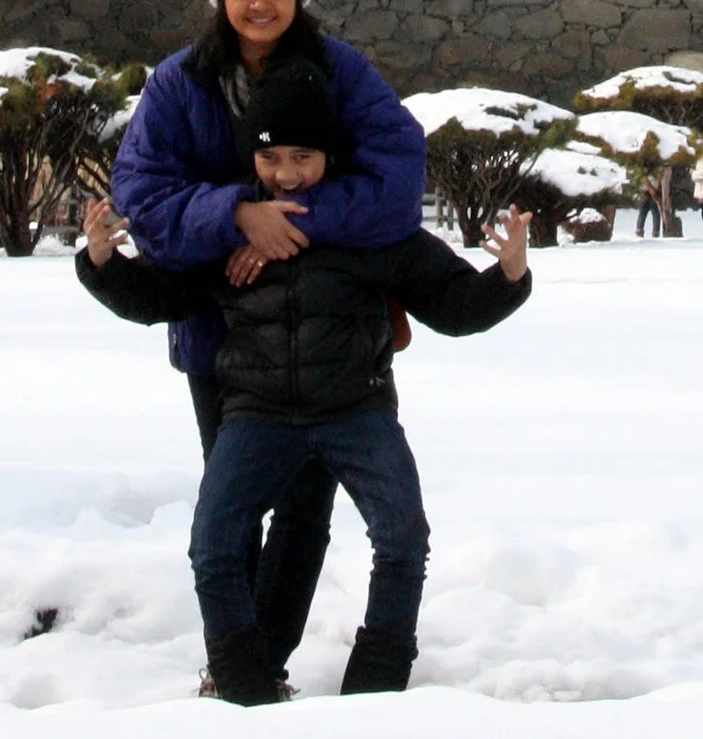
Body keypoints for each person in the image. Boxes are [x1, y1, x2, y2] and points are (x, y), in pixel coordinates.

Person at [82, 63, 530, 701]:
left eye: (303, 156)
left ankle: (378, 682)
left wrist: (507, 276)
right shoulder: (235, 227)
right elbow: (163, 294)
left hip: (357, 411)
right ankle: (242, 681)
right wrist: (103, 263)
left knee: (403, 537)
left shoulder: (367, 226)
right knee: (213, 544)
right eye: (270, 157)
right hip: (256, 413)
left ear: (329, 156)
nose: (286, 173)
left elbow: (452, 304)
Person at [108, 0, 426, 674]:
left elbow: (398, 176)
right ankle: (239, 662)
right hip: (218, 330)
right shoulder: (180, 82)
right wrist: (234, 215)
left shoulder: (340, 71)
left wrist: (287, 221)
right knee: (231, 508)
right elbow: (140, 192)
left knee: (305, 510)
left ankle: (263, 662)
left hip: (329, 335)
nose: (259, 3)